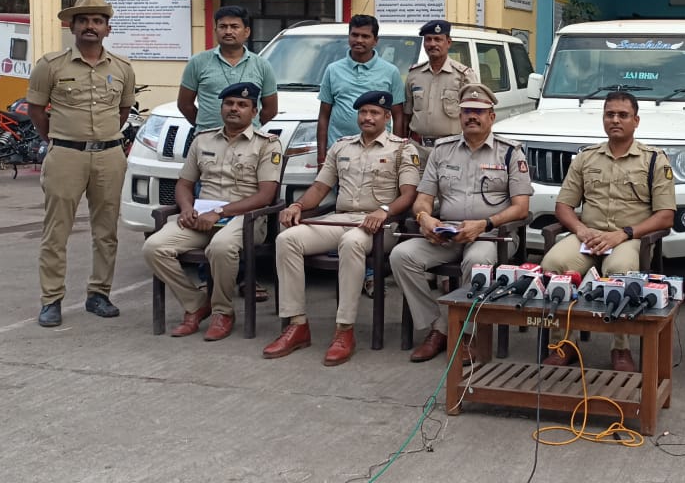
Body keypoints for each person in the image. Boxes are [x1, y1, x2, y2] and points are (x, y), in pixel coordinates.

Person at [263, 90, 420, 366]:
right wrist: (298, 206)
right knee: (287, 239)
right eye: (363, 112)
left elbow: (409, 194)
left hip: (381, 226)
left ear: (387, 117)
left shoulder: (402, 149)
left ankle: (344, 330)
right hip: (341, 219)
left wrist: (384, 211)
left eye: (374, 113)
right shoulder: (341, 146)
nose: (368, 117)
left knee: (352, 242)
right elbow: (319, 188)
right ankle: (297, 324)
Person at [390, 83, 533, 363]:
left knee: (476, 262)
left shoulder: (509, 152)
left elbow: (521, 208)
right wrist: (425, 218)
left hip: (491, 235)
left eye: (479, 112)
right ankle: (438, 328)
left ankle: (468, 334)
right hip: (447, 233)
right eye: (467, 111)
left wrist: (485, 224)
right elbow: (423, 199)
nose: (472, 117)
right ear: (460, 115)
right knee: (401, 256)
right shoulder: (442, 150)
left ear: (492, 116)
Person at [540, 91, 676, 372]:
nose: (615, 120)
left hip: (629, 238)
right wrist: (580, 230)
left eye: (623, 115)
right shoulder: (586, 158)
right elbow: (563, 206)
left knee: (620, 270)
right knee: (552, 263)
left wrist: (624, 233)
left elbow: (665, 216)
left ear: (636, 121)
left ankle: (620, 348)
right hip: (588, 237)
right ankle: (563, 343)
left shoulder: (654, 160)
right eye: (609, 114)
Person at [28, 0, 137, 327]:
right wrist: (59, 141)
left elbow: (122, 112)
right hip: (66, 156)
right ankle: (51, 300)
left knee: (106, 231)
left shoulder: (122, 68)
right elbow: (36, 110)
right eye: (84, 20)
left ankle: (99, 294)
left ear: (107, 28)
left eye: (98, 21)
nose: (91, 26)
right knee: (56, 231)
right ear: (72, 26)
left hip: (109, 156)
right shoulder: (50, 65)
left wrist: (101, 139)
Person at [141, 84, 282, 340]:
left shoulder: (266, 145)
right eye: (229, 103)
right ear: (221, 108)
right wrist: (186, 208)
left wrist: (219, 212)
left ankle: (222, 312)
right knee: (154, 247)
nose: (234, 109)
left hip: (245, 219)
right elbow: (184, 184)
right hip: (202, 218)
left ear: (254, 112)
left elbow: (265, 196)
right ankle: (195, 304)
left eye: (242, 105)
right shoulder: (203, 140)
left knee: (220, 247)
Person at [317, 15, 405, 166]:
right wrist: (321, 157)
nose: (359, 40)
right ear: (349, 37)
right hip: (340, 152)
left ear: (375, 41)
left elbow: (398, 116)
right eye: (355, 35)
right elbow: (324, 116)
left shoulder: (391, 72)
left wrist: (396, 152)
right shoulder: (333, 70)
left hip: (379, 152)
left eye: (365, 36)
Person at [177, 5, 278, 132]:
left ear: (247, 32)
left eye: (234, 27)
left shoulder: (262, 65)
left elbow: (270, 110)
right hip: (208, 138)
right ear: (216, 30)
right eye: (223, 26)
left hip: (248, 140)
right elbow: (185, 105)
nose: (228, 32)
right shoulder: (197, 62)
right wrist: (206, 129)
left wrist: (248, 128)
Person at [401, 20, 479, 167]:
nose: (432, 44)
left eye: (438, 39)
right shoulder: (414, 75)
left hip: (451, 150)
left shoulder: (464, 76)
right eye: (428, 39)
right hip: (417, 149)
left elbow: (474, 116)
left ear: (448, 42)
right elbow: (407, 115)